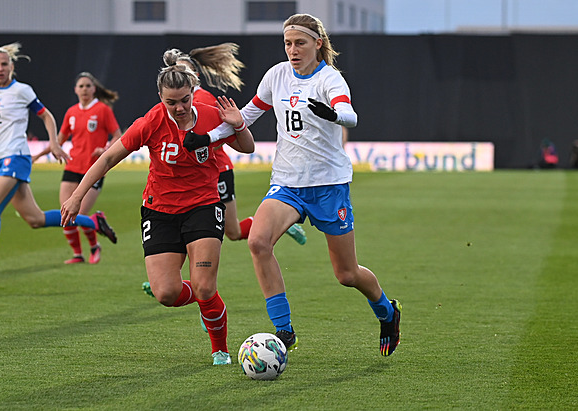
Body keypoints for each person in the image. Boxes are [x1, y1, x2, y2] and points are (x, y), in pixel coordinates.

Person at [197, 14, 402, 356]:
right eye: (288, 44)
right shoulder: (277, 75)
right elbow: (244, 117)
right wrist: (209, 137)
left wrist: (333, 114)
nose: (293, 50)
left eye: (300, 43)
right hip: (287, 183)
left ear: (318, 44)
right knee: (259, 243)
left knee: (347, 274)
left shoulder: (330, 79)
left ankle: (386, 311)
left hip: (328, 186)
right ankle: (283, 330)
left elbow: (349, 114)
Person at [60, 63, 255, 365]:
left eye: (184, 99)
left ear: (193, 92)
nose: (179, 107)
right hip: (159, 211)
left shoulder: (211, 113)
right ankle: (207, 304)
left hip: (203, 206)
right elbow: (110, 157)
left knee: (204, 284)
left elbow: (247, 147)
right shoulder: (151, 121)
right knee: (166, 293)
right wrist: (76, 196)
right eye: (171, 101)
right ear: (160, 97)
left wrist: (239, 123)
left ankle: (220, 350)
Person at [0, 42, 117, 288]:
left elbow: (46, 115)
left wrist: (54, 143)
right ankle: (93, 221)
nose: (0, 68)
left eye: (4, 64)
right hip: (2, 159)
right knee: (35, 219)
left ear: (12, 67)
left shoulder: (22, 91)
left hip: (16, 158)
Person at [164, 45, 306, 244]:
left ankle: (279, 222)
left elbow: (217, 136)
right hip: (192, 171)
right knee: (191, 228)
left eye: (183, 72)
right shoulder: (173, 100)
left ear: (194, 75)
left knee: (230, 231)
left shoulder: (203, 99)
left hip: (215, 169)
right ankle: (166, 275)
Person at [33, 72, 122, 264]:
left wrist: (105, 148)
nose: (84, 89)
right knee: (65, 212)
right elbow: (59, 140)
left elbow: (117, 135)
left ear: (94, 89)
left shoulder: (102, 110)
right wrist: (38, 155)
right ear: (75, 90)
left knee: (79, 214)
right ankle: (77, 254)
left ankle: (94, 246)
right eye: (80, 86)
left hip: (94, 169)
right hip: (72, 166)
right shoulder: (71, 112)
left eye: (88, 86)